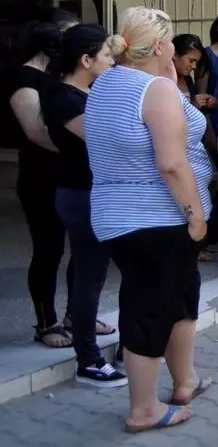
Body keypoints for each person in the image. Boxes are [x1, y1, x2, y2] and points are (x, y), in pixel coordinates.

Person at [86, 6, 212, 434]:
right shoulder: (154, 89)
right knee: (149, 309)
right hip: (157, 218)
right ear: (160, 46)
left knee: (173, 301)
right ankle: (143, 409)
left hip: (115, 214)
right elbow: (172, 164)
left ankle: (183, 382)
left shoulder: (106, 83)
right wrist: (195, 216)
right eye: (173, 41)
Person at [42, 24, 126, 387]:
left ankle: (91, 330)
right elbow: (106, 141)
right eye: (107, 55)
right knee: (91, 276)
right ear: (86, 59)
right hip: (82, 195)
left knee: (88, 271)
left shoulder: (87, 91)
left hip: (94, 194)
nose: (112, 62)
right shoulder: (65, 99)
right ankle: (88, 360)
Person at [8, 9, 78, 348]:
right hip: (40, 177)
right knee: (49, 250)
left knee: (81, 248)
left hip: (68, 175)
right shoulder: (24, 78)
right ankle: (46, 322)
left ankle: (77, 314)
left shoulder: (58, 74)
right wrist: (76, 149)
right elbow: (36, 132)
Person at [172, 34, 217, 113]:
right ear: (175, 55)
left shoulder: (187, 79)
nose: (194, 67)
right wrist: (192, 106)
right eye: (191, 61)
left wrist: (206, 102)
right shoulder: (162, 80)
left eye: (196, 62)